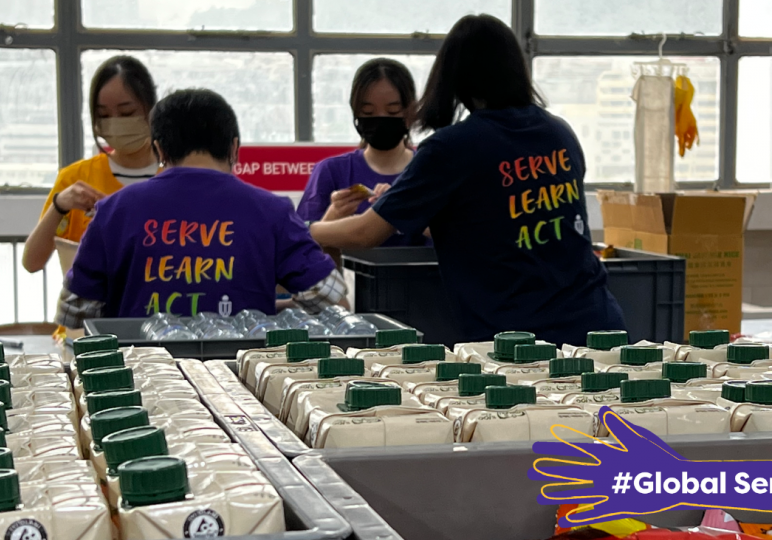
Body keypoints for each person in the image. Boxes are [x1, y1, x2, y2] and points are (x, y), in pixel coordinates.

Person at [309, 14, 625, 347]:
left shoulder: (452, 148)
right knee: (605, 402)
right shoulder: (559, 133)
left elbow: (366, 232)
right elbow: (501, 215)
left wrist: (306, 229)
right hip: (599, 325)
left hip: (522, 343)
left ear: (451, 76)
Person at [56, 88, 344, 328]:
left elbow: (75, 314)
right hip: (240, 383)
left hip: (141, 380)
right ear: (234, 148)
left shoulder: (113, 211)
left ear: (160, 150)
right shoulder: (272, 211)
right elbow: (334, 302)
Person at [23, 55, 160, 273]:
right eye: (104, 115)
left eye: (127, 113)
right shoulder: (76, 178)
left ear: (151, 109)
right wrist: (59, 206)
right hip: (88, 306)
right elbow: (32, 262)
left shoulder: (175, 177)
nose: (115, 123)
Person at [297, 58, 429, 247]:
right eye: (368, 113)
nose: (380, 120)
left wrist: (404, 209)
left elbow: (460, 234)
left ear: (411, 112)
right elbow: (301, 246)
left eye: (392, 112)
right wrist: (334, 214)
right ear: (356, 113)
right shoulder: (331, 171)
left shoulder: (428, 170)